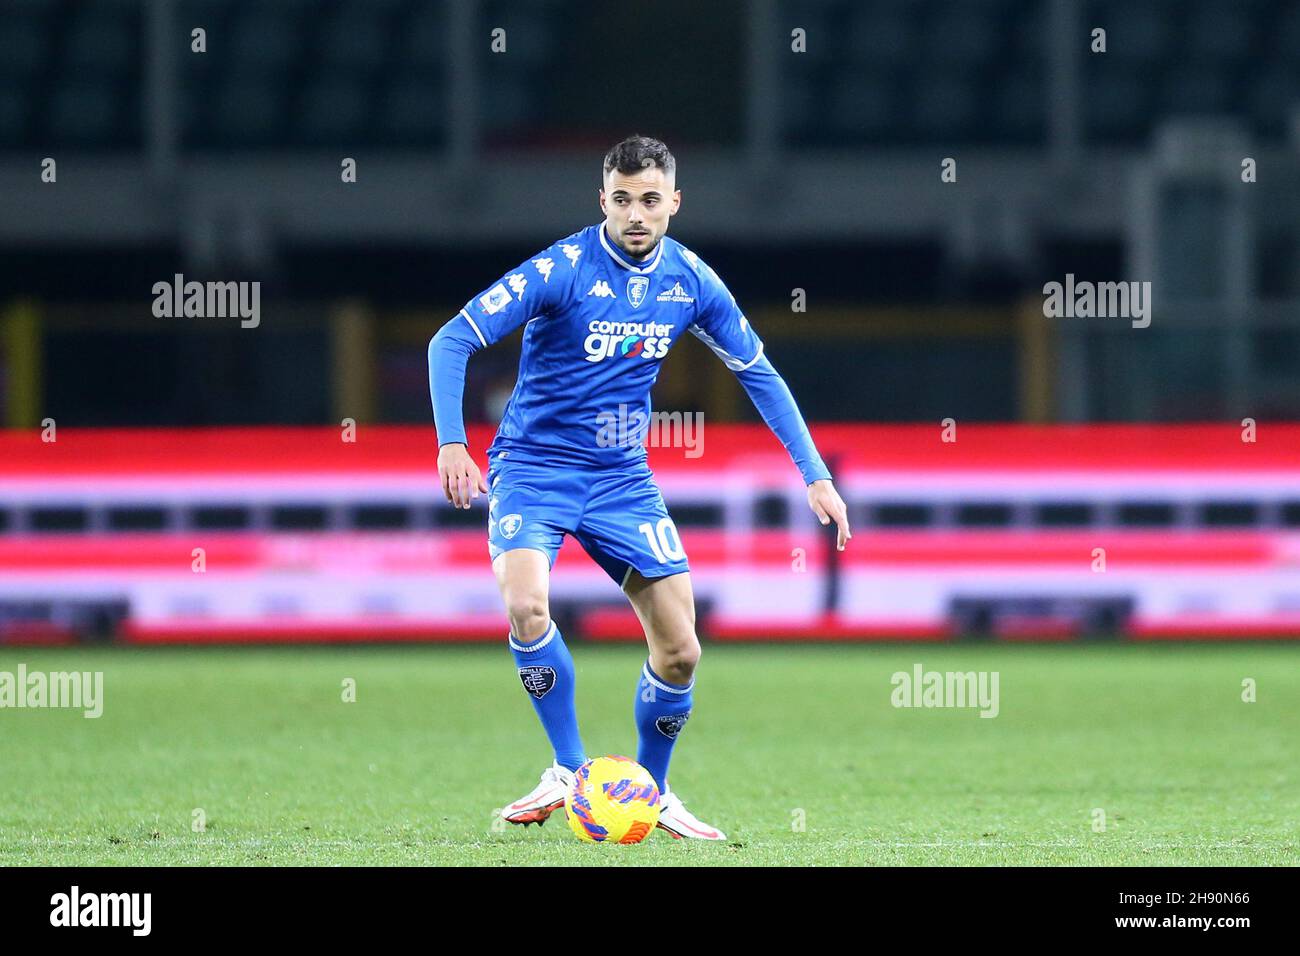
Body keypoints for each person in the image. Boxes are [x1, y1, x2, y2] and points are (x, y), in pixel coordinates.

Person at [428, 134, 851, 840]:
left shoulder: (691, 281)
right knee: (527, 605)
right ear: (603, 200)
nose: (635, 213)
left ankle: (651, 791)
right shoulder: (561, 268)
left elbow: (758, 373)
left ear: (674, 203)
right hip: (533, 467)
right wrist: (451, 442)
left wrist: (816, 475)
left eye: (650, 200)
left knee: (682, 649)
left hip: (621, 478)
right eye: (622, 200)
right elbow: (451, 340)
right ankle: (568, 769)